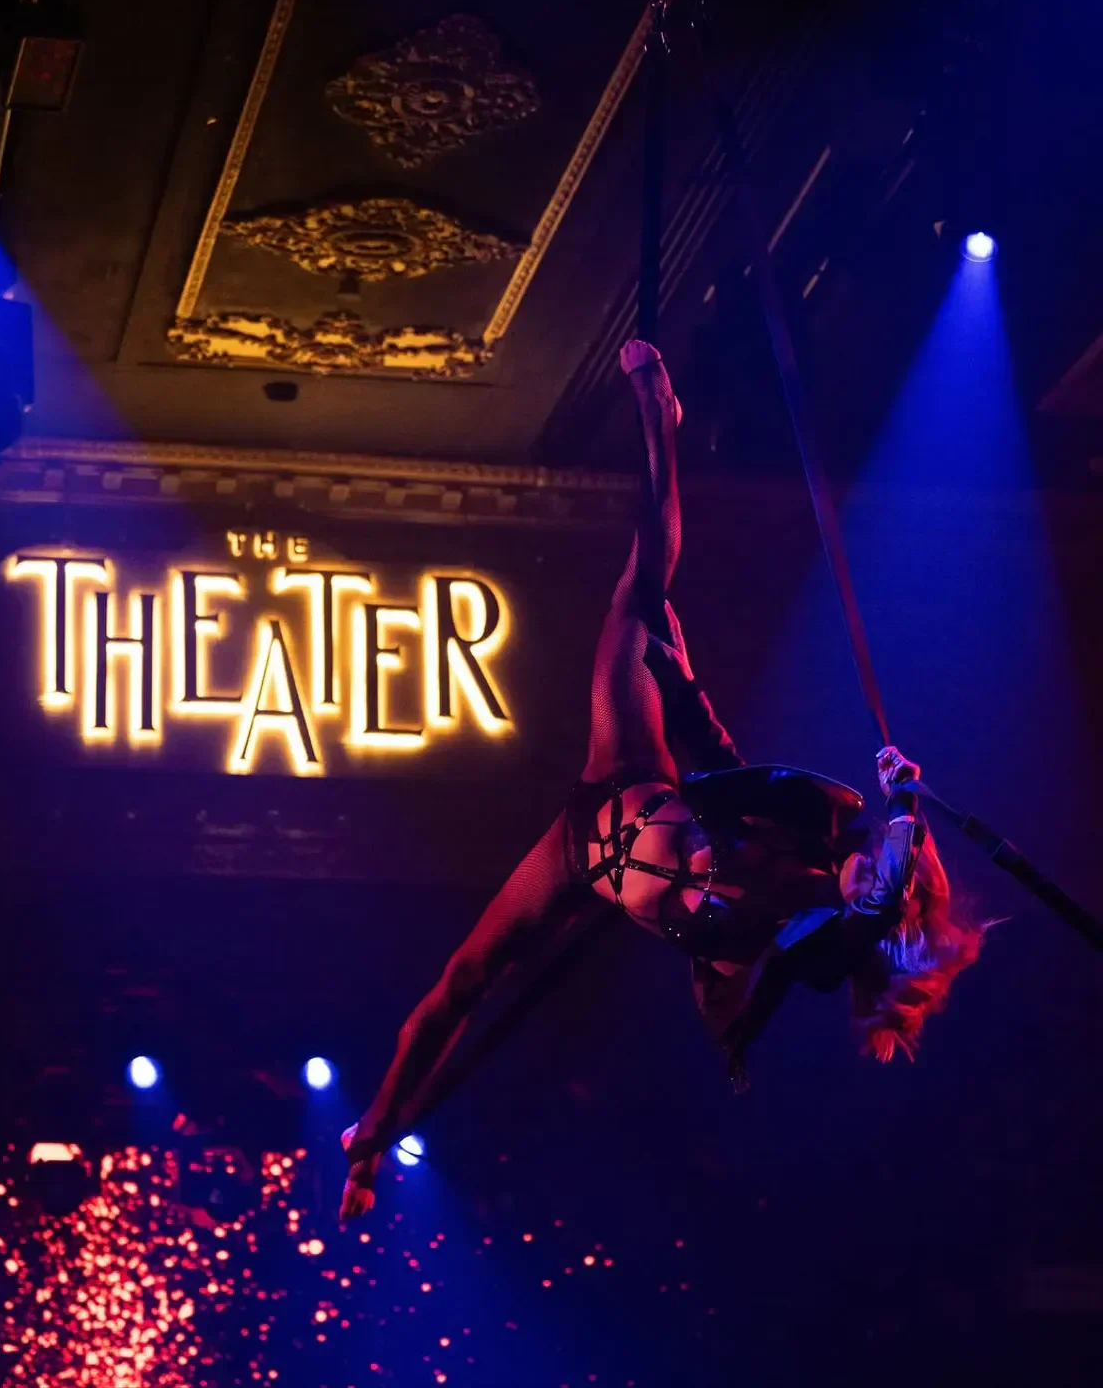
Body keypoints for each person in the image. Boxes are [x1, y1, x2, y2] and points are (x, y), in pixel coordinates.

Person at [340, 339, 983, 1220]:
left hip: (588, 865)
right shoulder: (827, 816)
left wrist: (899, 822)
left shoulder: (816, 935)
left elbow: (846, 930)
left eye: (882, 884)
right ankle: (660, 423)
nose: (872, 873)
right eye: (880, 862)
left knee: (482, 978)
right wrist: (679, 680)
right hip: (627, 775)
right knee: (641, 598)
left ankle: (370, 1139)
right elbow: (724, 762)